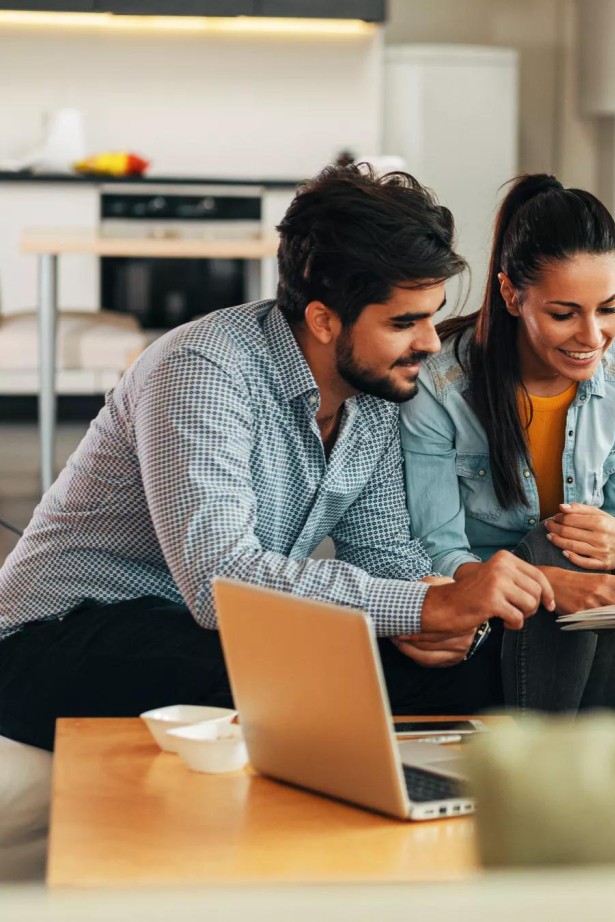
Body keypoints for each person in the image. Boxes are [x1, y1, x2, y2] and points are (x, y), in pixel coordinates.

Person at [0, 164, 553, 751]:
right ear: (322, 319)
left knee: (474, 667)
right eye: (403, 322)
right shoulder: (202, 371)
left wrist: (439, 612)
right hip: (56, 636)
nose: (429, 342)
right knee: (293, 667)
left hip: (196, 630)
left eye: (430, 316)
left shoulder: (375, 395)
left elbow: (384, 548)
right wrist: (424, 604)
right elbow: (221, 580)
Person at [401, 173, 615, 716]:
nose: (592, 336)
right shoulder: (441, 384)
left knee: (584, 553)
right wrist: (550, 581)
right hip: (480, 619)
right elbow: (437, 550)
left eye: (609, 308)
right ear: (511, 294)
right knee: (554, 545)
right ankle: (580, 762)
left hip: (576, 630)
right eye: (564, 314)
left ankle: (569, 766)